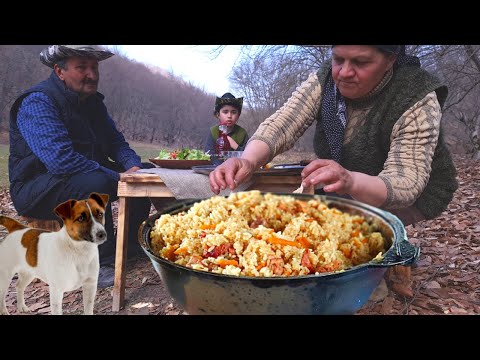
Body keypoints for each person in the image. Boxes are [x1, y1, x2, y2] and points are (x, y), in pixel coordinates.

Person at [209, 45, 458, 296]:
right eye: (339, 59)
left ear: (390, 60)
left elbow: (405, 182)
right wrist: (248, 160)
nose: (345, 72)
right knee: (326, 229)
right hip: (349, 179)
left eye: (361, 62)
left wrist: (350, 181)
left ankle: (390, 259)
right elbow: (283, 123)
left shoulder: (415, 95)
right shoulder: (326, 79)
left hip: (413, 189)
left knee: (359, 238)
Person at [8, 45, 154, 288]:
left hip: (79, 176)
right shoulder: (38, 102)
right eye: (82, 67)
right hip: (36, 186)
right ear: (59, 70)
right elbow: (60, 160)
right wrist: (119, 176)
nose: (92, 74)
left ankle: (130, 247)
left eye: (94, 67)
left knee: (145, 175)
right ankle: (99, 263)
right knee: (96, 183)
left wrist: (134, 168)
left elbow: (116, 143)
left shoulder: (94, 104)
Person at [204, 92, 249, 163]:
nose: (229, 116)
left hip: (237, 168)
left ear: (238, 115)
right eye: (225, 112)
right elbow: (208, 154)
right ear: (218, 114)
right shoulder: (213, 131)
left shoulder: (242, 133)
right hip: (215, 169)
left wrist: (236, 146)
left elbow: (248, 156)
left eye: (233, 112)